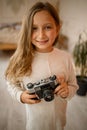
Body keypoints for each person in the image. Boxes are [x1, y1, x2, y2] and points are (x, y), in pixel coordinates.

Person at [5, 2, 79, 130]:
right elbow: (11, 83)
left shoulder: (65, 58)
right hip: (35, 124)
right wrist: (20, 96)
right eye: (34, 28)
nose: (41, 35)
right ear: (27, 30)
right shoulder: (22, 58)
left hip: (59, 123)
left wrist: (67, 91)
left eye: (48, 27)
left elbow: (73, 86)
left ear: (58, 27)